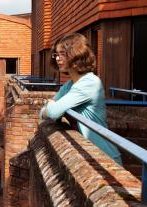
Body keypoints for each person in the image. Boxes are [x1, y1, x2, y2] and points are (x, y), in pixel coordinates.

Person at [40, 33, 122, 165]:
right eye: (56, 54)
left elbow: (53, 112)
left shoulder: (90, 82)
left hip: (105, 156)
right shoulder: (69, 85)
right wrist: (49, 108)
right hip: (90, 153)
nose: (58, 59)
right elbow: (43, 113)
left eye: (63, 54)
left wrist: (50, 105)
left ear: (76, 54)